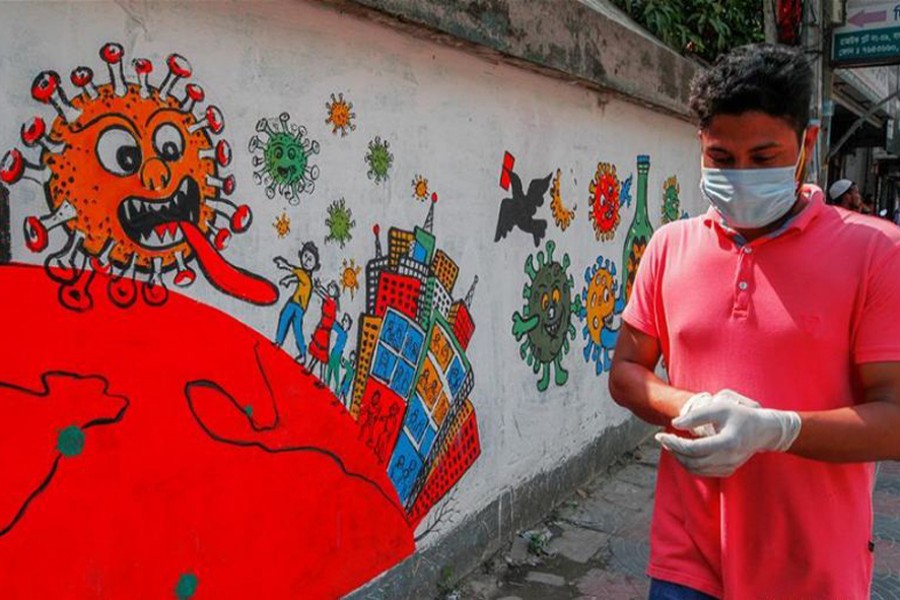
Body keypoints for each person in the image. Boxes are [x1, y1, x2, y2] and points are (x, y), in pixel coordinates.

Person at [609, 43, 900, 599]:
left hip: (813, 570)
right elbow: (626, 371)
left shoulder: (877, 254)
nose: (740, 175)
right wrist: (689, 406)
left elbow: (895, 417)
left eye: (764, 158)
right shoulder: (670, 247)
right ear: (700, 144)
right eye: (721, 158)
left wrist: (778, 429)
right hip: (686, 560)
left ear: (806, 145)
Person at [273, 242, 321, 362]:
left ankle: (303, 354)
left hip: (299, 308)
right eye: (305, 256)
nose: (306, 261)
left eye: (310, 259)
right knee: (284, 317)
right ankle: (278, 342)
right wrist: (288, 280)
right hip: (293, 302)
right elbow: (298, 277)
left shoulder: (307, 278)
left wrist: (285, 265)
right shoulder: (304, 276)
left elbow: (298, 274)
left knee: (297, 329)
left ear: (315, 265)